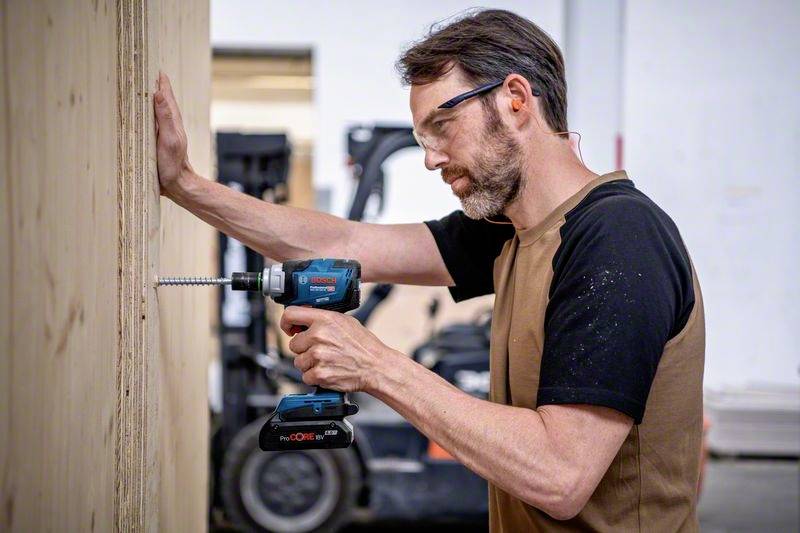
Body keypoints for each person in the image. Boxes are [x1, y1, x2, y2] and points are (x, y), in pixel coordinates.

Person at [153, 9, 704, 532]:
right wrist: (187, 187)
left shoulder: (617, 238)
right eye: (422, 138)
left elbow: (560, 475)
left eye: (444, 124)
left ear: (515, 100)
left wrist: (375, 365)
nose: (431, 158)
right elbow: (342, 241)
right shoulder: (510, 231)